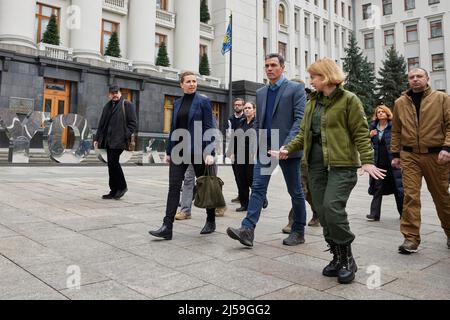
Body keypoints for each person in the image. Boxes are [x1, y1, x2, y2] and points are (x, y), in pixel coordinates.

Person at [277, 58, 386, 284]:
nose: (311, 81)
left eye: (314, 77)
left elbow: (360, 132)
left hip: (341, 165)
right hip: (314, 166)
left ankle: (348, 258)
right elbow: (303, 133)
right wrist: (287, 148)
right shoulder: (312, 103)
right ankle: (336, 256)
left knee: (332, 208)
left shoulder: (349, 100)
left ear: (325, 77)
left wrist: (367, 160)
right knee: (323, 211)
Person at [226, 53, 308, 248]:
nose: (269, 69)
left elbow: (299, 120)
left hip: (287, 149)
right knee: (258, 188)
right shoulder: (261, 93)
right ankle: (247, 230)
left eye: (273, 65)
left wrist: (287, 146)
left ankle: (298, 231)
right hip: (265, 148)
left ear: (282, 67)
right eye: (266, 66)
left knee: (295, 191)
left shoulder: (296, 89)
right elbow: (259, 122)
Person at [149, 71, 216, 240]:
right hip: (179, 151)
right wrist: (169, 152)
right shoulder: (177, 103)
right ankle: (167, 226)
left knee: (204, 185)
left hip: (199, 151)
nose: (192, 84)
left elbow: (209, 127)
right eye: (188, 81)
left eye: (194, 81)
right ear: (181, 84)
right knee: (173, 188)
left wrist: (210, 152)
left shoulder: (203, 101)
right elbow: (173, 128)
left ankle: (211, 220)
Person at [391, 68, 450, 254]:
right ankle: (411, 238)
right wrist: (395, 154)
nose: (415, 79)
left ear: (427, 78)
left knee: (441, 196)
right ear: (408, 80)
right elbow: (396, 131)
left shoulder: (441, 99)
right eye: (411, 77)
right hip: (410, 156)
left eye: (419, 76)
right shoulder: (400, 103)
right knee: (410, 196)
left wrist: (447, 147)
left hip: (436, 156)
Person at [283, 83, 320, 234]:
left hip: (309, 151)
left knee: (306, 189)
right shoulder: (286, 105)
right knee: (302, 187)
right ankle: (300, 218)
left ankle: (297, 219)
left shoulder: (311, 104)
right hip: (296, 150)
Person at [94, 85, 137, 200]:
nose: (115, 94)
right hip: (108, 140)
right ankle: (113, 190)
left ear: (120, 93)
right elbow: (101, 124)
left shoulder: (127, 105)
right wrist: (97, 139)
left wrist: (124, 135)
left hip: (119, 140)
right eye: (112, 93)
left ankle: (122, 187)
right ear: (109, 94)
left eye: (116, 92)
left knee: (113, 163)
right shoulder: (107, 106)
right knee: (111, 164)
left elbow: (133, 124)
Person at [367, 105, 403, 222]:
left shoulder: (393, 127)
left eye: (383, 112)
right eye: (378, 112)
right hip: (379, 164)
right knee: (377, 188)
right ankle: (374, 214)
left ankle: (403, 213)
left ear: (388, 114)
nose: (381, 113)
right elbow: (364, 143)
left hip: (393, 163)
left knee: (399, 189)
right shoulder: (373, 128)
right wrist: (369, 136)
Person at [229, 102, 257, 212]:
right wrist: (232, 152)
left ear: (254, 110)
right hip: (239, 155)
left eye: (249, 108)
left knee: (251, 179)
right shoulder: (241, 122)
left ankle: (262, 197)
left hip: (251, 155)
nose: (247, 110)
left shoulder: (257, 123)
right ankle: (244, 204)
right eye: (245, 108)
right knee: (240, 180)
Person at [227, 98, 245, 204]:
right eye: (235, 105)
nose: (237, 106)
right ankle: (240, 195)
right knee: (237, 175)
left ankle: (261, 197)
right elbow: (229, 134)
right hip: (234, 149)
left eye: (239, 105)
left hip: (244, 150)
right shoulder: (231, 118)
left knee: (246, 175)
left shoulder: (245, 117)